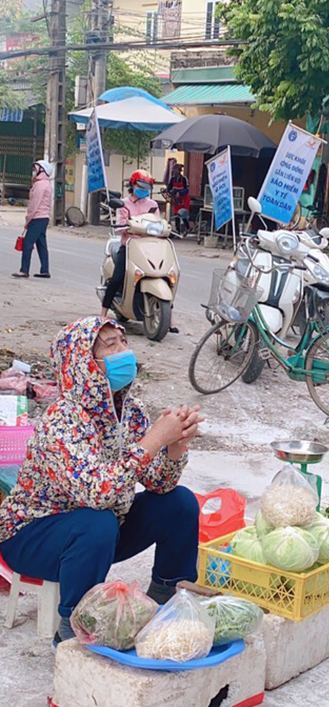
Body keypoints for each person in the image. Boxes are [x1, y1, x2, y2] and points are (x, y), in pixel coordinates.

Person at [0, 317, 203, 644]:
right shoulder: (61, 419)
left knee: (178, 502)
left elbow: (159, 484)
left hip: (97, 534)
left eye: (123, 342)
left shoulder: (130, 411)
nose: (124, 351)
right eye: (110, 346)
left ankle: (169, 596)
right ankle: (75, 629)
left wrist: (176, 445)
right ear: (83, 365)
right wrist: (152, 441)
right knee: (97, 522)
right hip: (32, 536)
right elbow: (99, 492)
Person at [101, 169, 178, 333]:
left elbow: (158, 222)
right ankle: (103, 314)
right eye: (140, 186)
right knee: (117, 278)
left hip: (150, 246)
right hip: (129, 246)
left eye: (146, 187)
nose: (143, 189)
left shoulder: (152, 205)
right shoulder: (124, 204)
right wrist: (126, 226)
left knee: (167, 275)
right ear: (133, 185)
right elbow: (121, 225)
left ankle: (170, 319)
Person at [13, 159, 53, 279]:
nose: (33, 172)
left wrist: (28, 219)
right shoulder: (46, 184)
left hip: (37, 217)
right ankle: (44, 270)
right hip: (43, 217)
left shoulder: (40, 185)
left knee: (27, 243)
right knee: (41, 244)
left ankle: (24, 270)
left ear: (42, 171)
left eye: (35, 169)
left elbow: (34, 204)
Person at [166, 163, 191, 228]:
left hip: (184, 200)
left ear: (179, 171)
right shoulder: (172, 179)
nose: (174, 172)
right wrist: (168, 191)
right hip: (176, 200)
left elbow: (187, 189)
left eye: (175, 170)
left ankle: (187, 228)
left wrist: (180, 193)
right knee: (176, 214)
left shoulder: (184, 179)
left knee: (183, 215)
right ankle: (178, 230)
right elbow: (169, 188)